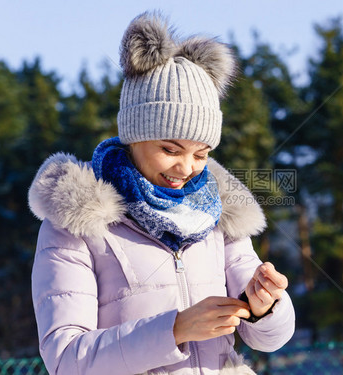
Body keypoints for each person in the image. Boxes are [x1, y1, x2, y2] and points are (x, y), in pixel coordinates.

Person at [28, 11, 295, 375]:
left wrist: (266, 307)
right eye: (170, 150)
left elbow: (269, 338)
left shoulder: (216, 216)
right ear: (134, 135)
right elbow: (65, 358)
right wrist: (175, 329)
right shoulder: (75, 224)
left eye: (201, 154)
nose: (186, 168)